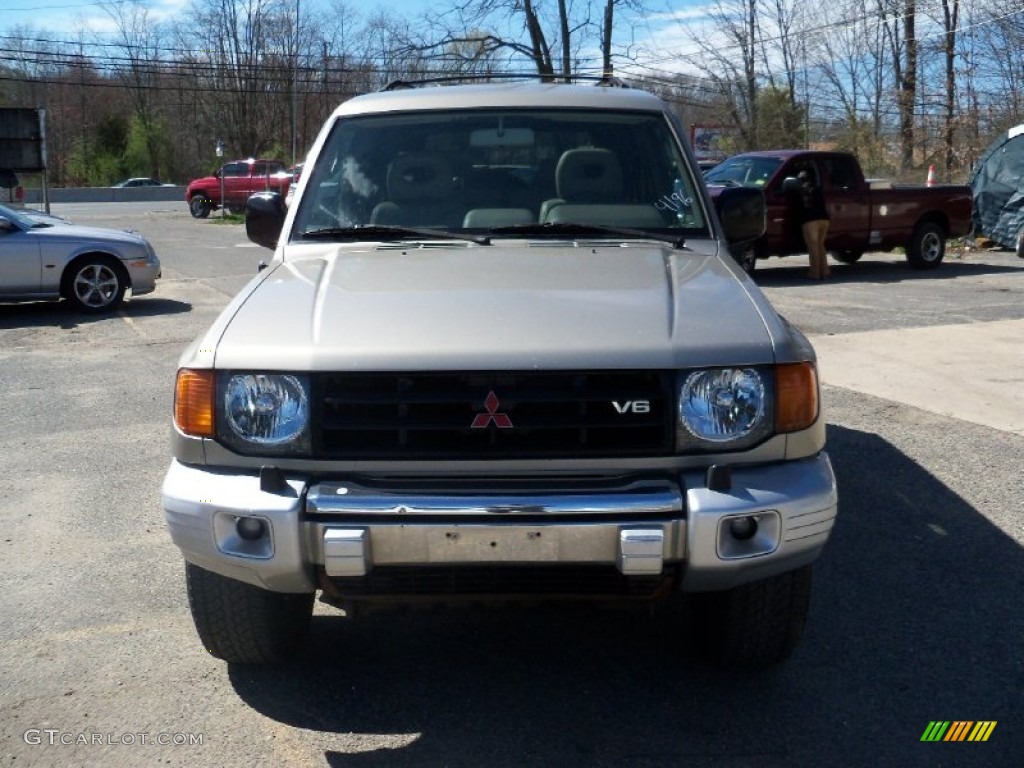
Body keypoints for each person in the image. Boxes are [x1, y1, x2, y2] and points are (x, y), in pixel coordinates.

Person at [794, 169, 831, 279]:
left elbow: (802, 206)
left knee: (813, 247)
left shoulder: (802, 189)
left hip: (810, 220)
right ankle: (825, 271)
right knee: (820, 245)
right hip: (824, 219)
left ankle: (814, 273)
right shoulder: (818, 188)